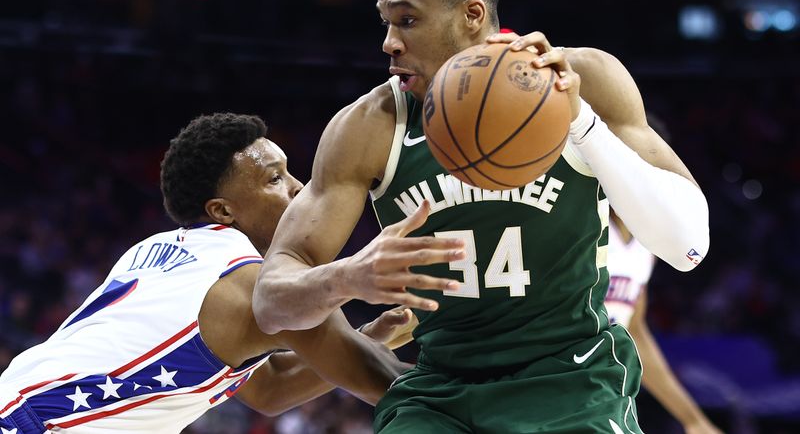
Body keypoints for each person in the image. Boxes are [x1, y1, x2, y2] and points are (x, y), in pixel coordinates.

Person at [253, 0, 711, 433]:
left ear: (471, 15)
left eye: (406, 20)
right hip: (442, 392)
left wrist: (581, 122)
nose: (389, 42)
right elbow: (272, 298)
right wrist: (346, 276)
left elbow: (689, 248)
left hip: (571, 382)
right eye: (385, 22)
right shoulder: (369, 126)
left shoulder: (580, 80)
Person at [0, 112, 460, 434]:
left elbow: (271, 390)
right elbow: (377, 379)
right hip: (42, 421)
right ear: (222, 211)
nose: (300, 189)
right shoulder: (248, 277)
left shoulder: (157, 248)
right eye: (275, 178)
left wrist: (374, 332)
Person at [605, 115, 722, 434]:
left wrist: (692, 419)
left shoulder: (648, 245)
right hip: (558, 389)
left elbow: (635, 334)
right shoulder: (585, 227)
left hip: (604, 394)